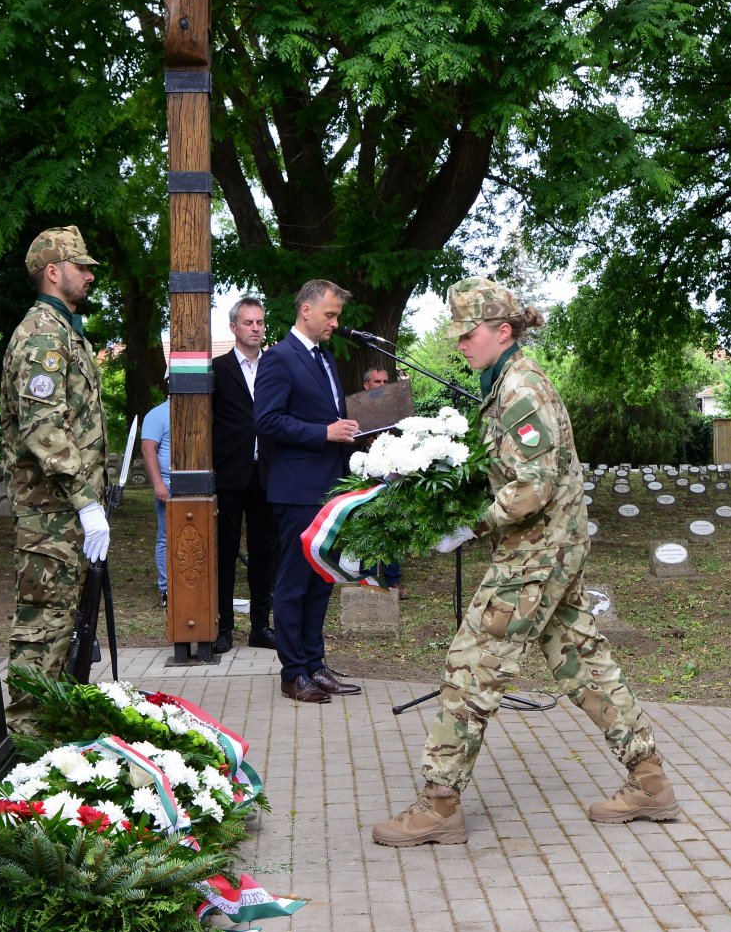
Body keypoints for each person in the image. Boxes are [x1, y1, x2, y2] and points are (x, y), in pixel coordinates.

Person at [373, 278, 678, 847]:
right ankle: (650, 781)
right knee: (581, 660)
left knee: (472, 666)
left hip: (535, 554)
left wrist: (473, 524)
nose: (461, 343)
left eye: (469, 333)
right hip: (550, 549)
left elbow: (533, 487)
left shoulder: (520, 389)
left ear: (502, 331)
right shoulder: (507, 384)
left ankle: (439, 804)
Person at [0, 226, 108, 724]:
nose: (89, 275)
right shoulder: (44, 334)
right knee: (43, 628)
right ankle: (26, 744)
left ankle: (55, 743)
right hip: (51, 517)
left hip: (64, 517)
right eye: (81, 266)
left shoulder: (65, 331)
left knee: (65, 630)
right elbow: (44, 429)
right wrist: (87, 502)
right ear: (53, 271)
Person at [253, 279, 363, 703]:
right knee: (295, 582)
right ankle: (292, 672)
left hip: (329, 486)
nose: (335, 323)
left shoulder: (325, 358)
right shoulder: (279, 358)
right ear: (306, 310)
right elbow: (267, 421)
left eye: (337, 315)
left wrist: (350, 433)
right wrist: (325, 432)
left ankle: (315, 664)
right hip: (296, 489)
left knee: (322, 580)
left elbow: (328, 418)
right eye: (330, 314)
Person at [211, 297, 279, 653]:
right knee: (224, 551)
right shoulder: (217, 368)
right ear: (233, 327)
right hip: (229, 473)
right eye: (249, 322)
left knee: (264, 552)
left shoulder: (275, 367)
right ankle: (224, 627)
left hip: (266, 472)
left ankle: (260, 626)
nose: (256, 328)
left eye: (260, 322)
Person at [359, 365, 404, 593]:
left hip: (391, 473)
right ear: (367, 385)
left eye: (386, 382)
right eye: (378, 382)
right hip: (365, 473)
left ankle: (392, 578)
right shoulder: (355, 409)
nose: (383, 386)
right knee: (367, 524)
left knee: (391, 525)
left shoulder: (397, 409)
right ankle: (367, 578)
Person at [142, 395, 172, 602]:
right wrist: (158, 483)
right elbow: (148, 449)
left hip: (197, 483)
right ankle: (166, 589)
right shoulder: (158, 413)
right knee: (167, 535)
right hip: (169, 482)